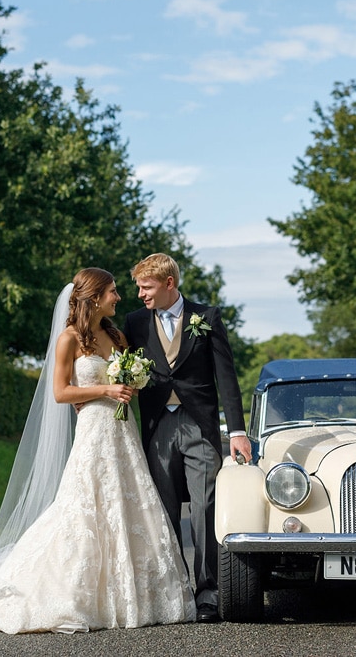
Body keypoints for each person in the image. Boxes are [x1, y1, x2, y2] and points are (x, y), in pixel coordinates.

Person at [0, 268, 195, 633]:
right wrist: (105, 391)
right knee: (82, 506)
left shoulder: (117, 336)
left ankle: (133, 595)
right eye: (112, 292)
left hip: (123, 432)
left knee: (129, 502)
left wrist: (128, 385)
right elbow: (61, 393)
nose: (118, 297)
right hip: (93, 431)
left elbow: (124, 382)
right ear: (93, 297)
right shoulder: (69, 340)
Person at [123, 253, 252, 623]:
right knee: (163, 510)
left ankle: (208, 593)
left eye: (146, 287)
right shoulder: (134, 323)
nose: (140, 295)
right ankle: (177, 589)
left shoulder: (207, 317)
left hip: (200, 425)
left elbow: (226, 376)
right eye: (137, 288)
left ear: (168, 284)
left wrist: (238, 432)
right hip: (157, 428)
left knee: (205, 506)